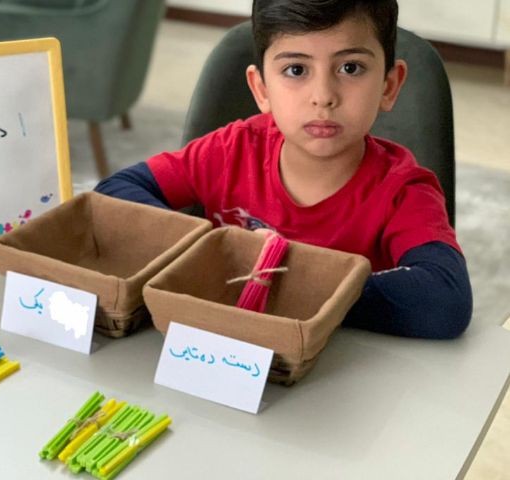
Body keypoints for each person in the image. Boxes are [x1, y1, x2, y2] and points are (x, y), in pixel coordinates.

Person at [95, 0, 472, 339]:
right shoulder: (231, 151)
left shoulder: (403, 190)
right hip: (218, 356)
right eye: (296, 69)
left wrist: (284, 276)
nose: (323, 96)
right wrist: (212, 253)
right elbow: (117, 191)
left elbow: (444, 300)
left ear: (389, 86)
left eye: (350, 67)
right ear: (261, 89)